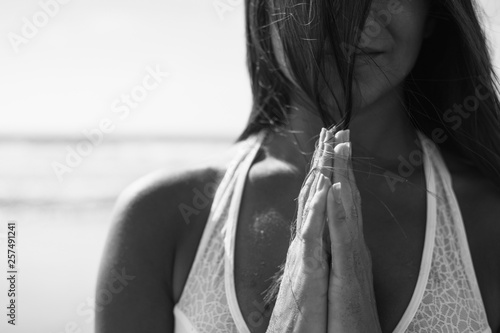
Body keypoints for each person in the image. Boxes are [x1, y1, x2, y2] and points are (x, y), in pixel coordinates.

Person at [95, 0, 500, 332]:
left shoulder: (489, 217)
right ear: (264, 10)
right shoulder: (162, 220)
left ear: (434, 15)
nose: (354, 17)